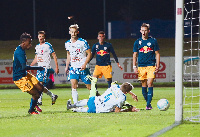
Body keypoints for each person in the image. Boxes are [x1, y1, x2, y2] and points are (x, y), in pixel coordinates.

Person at [67, 75, 139, 113]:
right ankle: (76, 110)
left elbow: (122, 88)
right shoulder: (122, 98)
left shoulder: (114, 86)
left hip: (96, 100)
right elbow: (117, 111)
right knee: (88, 109)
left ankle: (71, 106)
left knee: (87, 101)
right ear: (126, 92)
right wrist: (129, 109)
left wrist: (131, 94)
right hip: (99, 109)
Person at [13, 32, 45, 114]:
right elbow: (24, 67)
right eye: (29, 42)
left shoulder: (21, 50)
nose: (30, 44)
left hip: (24, 74)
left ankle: (35, 103)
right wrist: (38, 67)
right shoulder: (19, 52)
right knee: (36, 94)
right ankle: (31, 110)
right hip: (20, 78)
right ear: (23, 42)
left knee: (40, 88)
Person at [132, 23, 160, 110]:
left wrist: (158, 65)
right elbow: (134, 55)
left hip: (151, 65)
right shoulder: (137, 42)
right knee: (143, 85)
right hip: (141, 66)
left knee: (150, 83)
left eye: (145, 30)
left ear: (148, 31)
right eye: (142, 30)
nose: (144, 32)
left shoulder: (153, 41)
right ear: (140, 31)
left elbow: (157, 54)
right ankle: (149, 104)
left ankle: (148, 105)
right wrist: (134, 67)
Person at [65, 24, 92, 104]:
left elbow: (89, 53)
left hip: (83, 68)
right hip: (73, 68)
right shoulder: (67, 43)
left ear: (77, 32)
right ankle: (76, 104)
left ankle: (96, 100)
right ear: (69, 32)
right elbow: (69, 54)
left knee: (89, 87)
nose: (73, 34)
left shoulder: (82, 42)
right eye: (72, 32)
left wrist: (85, 64)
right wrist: (67, 66)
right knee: (74, 86)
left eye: (75, 32)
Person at [31, 31, 59, 106]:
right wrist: (30, 66)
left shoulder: (48, 45)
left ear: (44, 37)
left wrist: (57, 67)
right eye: (39, 36)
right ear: (38, 37)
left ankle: (39, 101)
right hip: (39, 67)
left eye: (42, 36)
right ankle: (52, 95)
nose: (41, 38)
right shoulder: (37, 46)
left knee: (40, 84)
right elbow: (36, 58)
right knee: (39, 85)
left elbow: (54, 55)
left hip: (45, 67)